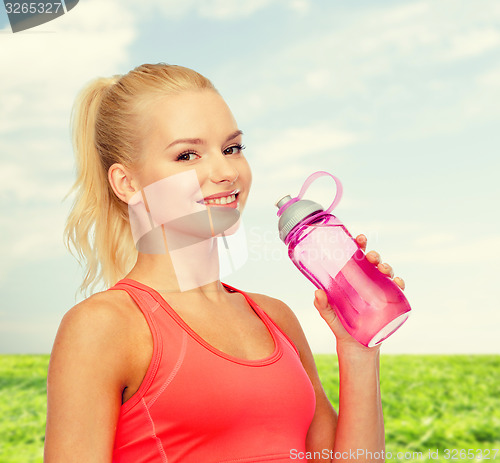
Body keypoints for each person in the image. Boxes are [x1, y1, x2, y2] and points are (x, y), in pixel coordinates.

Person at [44, 63, 405, 463]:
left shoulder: (275, 317)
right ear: (128, 183)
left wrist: (358, 352)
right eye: (187, 155)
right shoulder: (103, 326)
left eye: (231, 148)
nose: (225, 171)